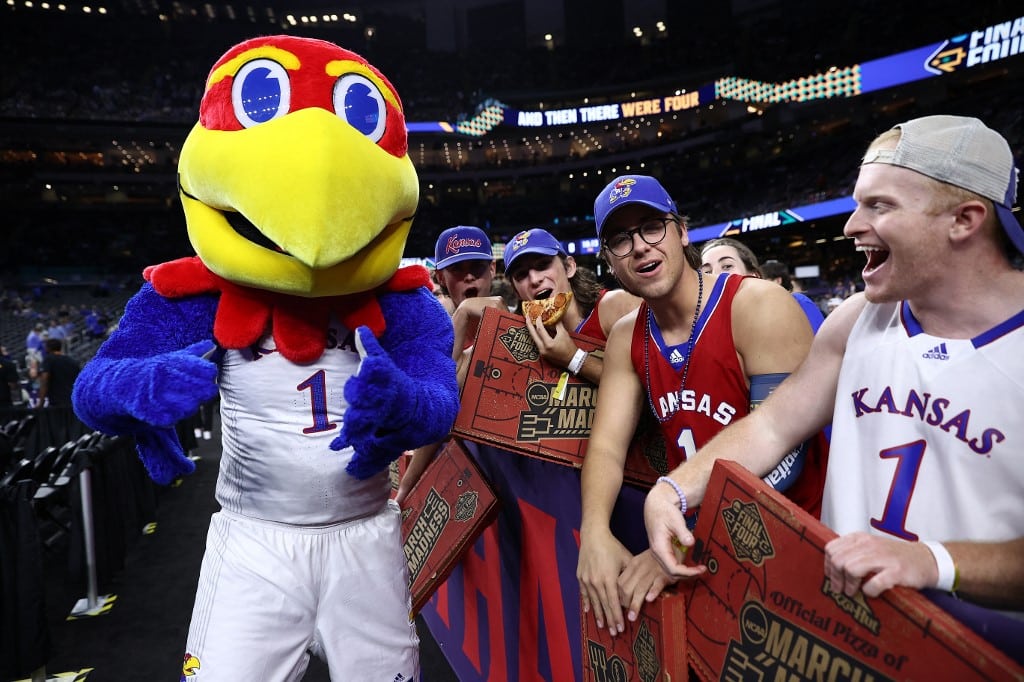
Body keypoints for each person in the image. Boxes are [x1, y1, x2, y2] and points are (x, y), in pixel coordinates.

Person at [643, 115, 1024, 663]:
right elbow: (774, 423)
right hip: (841, 638)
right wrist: (672, 489)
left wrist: (931, 561)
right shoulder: (858, 319)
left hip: (978, 654)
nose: (850, 225)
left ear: (964, 220)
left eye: (880, 205)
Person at [578, 175, 827, 637]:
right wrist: (593, 530)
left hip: (787, 548)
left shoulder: (757, 305)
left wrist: (675, 541)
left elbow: (784, 457)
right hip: (699, 545)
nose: (639, 246)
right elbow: (607, 448)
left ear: (682, 231)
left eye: (652, 226)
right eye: (620, 239)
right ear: (609, 261)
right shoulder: (626, 337)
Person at [396, 225, 500, 503]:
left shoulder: (521, 323)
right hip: (459, 480)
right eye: (457, 270)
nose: (469, 277)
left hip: (512, 474)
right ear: (440, 277)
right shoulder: (430, 335)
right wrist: (463, 315)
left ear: (492, 269)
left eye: (477, 267)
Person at [503, 227, 641, 383]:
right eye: (521, 275)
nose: (534, 279)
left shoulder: (618, 306)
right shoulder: (518, 341)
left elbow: (652, 388)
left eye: (542, 265)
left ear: (569, 267)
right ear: (516, 291)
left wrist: (573, 357)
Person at [760, 258, 826, 333]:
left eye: (763, 280)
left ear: (778, 280)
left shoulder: (800, 301)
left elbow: (818, 335)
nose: (759, 284)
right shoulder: (766, 306)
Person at [36, 337, 80, 408]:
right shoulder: (72, 361)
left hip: (58, 403)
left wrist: (41, 402)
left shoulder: (49, 359)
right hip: (73, 402)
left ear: (48, 348)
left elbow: (45, 380)